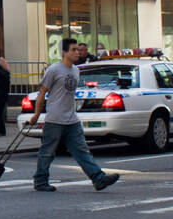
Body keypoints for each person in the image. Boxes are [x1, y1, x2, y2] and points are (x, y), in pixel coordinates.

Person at [33, 38, 120, 193]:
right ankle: (40, 181)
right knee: (48, 152)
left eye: (77, 50)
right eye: (73, 50)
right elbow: (42, 94)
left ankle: (98, 178)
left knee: (81, 150)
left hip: (71, 119)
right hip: (55, 119)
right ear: (64, 52)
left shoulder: (76, 70)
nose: (77, 52)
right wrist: (36, 114)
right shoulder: (53, 70)